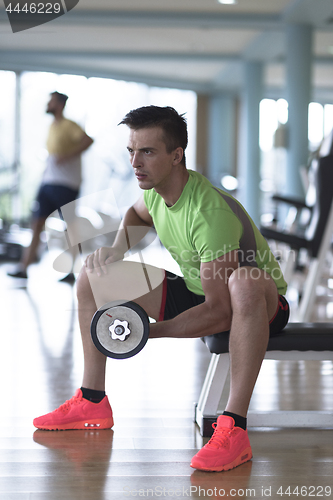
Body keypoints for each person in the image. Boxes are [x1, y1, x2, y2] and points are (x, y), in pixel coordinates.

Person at [33, 106, 289, 472]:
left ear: (176, 155)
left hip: (258, 305)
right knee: (93, 274)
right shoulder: (154, 190)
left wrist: (147, 332)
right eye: (131, 151)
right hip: (200, 291)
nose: (136, 162)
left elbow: (220, 312)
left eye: (147, 152)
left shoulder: (208, 214)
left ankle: (234, 427)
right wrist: (117, 249)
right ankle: (92, 400)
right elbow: (137, 215)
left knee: (243, 282)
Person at [8, 91, 94, 282]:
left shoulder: (69, 125)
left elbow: (88, 140)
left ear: (60, 104)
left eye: (51, 101)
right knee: (37, 224)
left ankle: (72, 271)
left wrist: (68, 155)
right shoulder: (52, 126)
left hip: (66, 185)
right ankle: (24, 268)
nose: (48, 104)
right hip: (47, 182)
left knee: (70, 228)